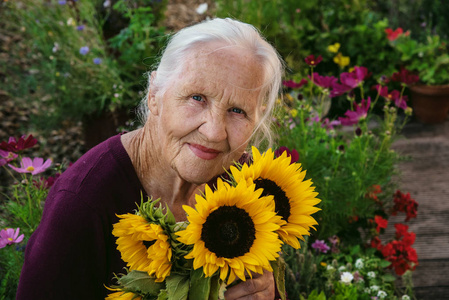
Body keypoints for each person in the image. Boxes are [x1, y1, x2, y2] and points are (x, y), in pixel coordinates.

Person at [17, 17, 284, 299]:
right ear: (154, 94)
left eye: (238, 111)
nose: (215, 132)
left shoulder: (249, 187)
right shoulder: (84, 204)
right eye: (197, 98)